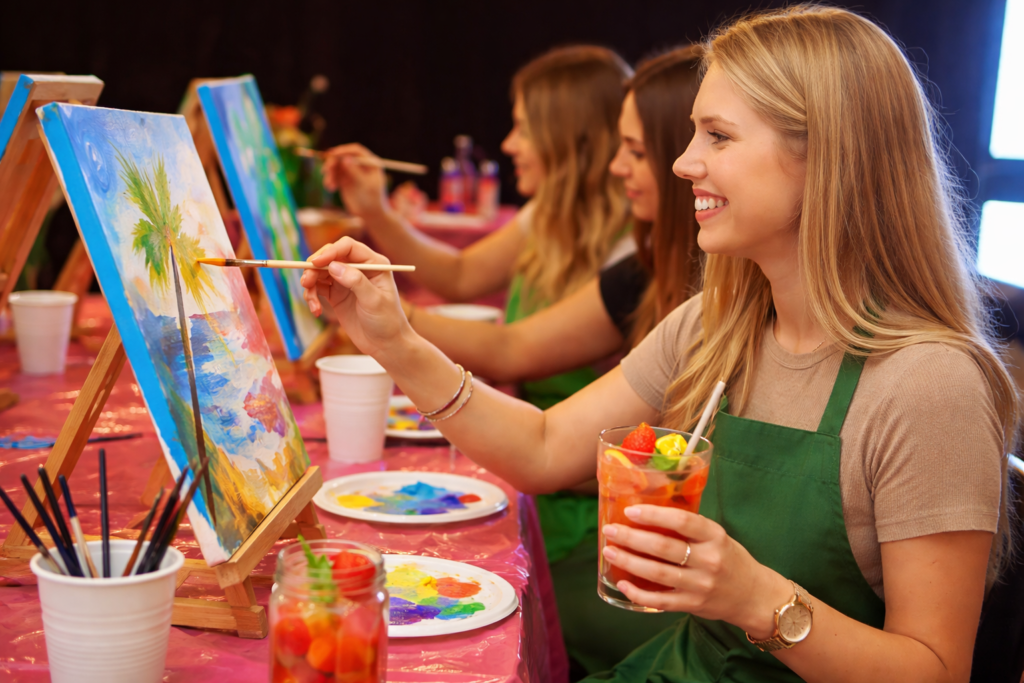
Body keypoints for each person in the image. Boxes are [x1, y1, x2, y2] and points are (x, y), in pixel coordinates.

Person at [302, 5, 1020, 682]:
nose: (683, 164)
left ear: (824, 156)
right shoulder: (720, 322)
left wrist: (754, 598)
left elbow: (934, 668)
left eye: (718, 136)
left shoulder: (929, 384)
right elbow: (545, 444)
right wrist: (392, 341)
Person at [398, 46, 704, 676]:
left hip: (631, 553)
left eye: (640, 151)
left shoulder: (700, 294)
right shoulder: (652, 278)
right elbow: (537, 422)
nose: (508, 143)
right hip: (616, 531)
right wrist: (382, 329)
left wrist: (387, 331)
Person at [321, 45, 634, 409]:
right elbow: (461, 274)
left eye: (525, 130)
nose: (508, 144)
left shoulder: (628, 251)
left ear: (574, 142)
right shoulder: (548, 215)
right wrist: (375, 211)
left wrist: (388, 312)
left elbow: (510, 350)